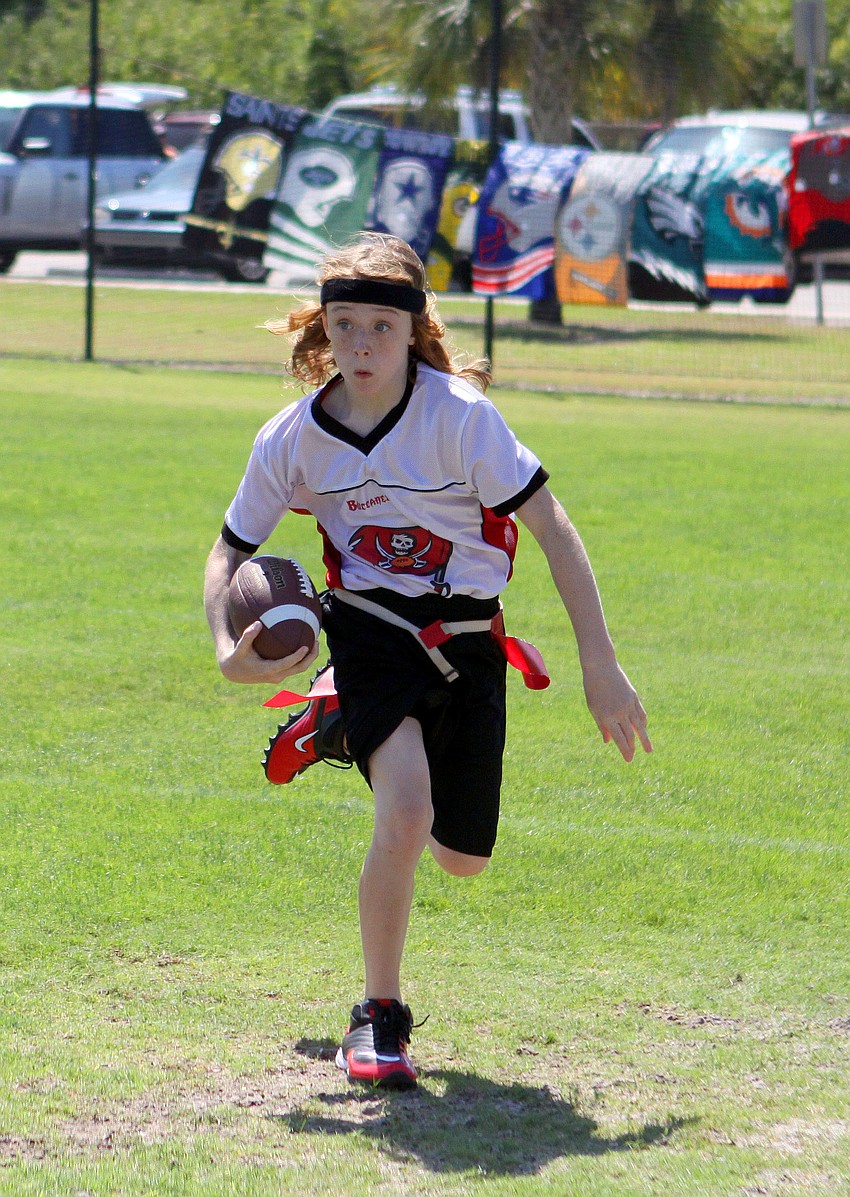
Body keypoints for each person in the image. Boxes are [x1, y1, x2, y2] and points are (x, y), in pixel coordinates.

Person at [203, 231, 652, 1091]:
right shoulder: (293, 437)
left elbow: (552, 527)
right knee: (404, 812)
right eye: (345, 325)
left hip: (470, 639)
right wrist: (229, 651)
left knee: (461, 857)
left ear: (414, 332)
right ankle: (379, 1016)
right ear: (322, 332)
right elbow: (228, 551)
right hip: (369, 627)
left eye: (381, 326)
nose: (362, 345)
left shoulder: (460, 418)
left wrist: (601, 662)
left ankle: (331, 715)